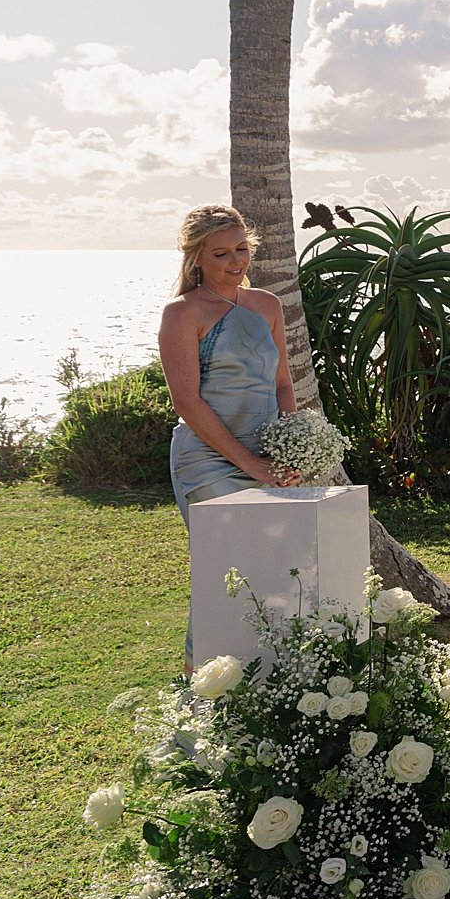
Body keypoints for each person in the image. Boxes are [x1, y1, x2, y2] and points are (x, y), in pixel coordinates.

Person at [157, 205, 304, 673]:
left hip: (266, 455)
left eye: (241, 249)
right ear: (196, 257)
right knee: (226, 573)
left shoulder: (267, 305)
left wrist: (288, 447)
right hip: (207, 460)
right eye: (220, 253)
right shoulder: (182, 313)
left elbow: (282, 385)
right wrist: (251, 465)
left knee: (272, 573)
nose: (235, 261)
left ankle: (262, 687)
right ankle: (199, 693)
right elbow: (188, 404)